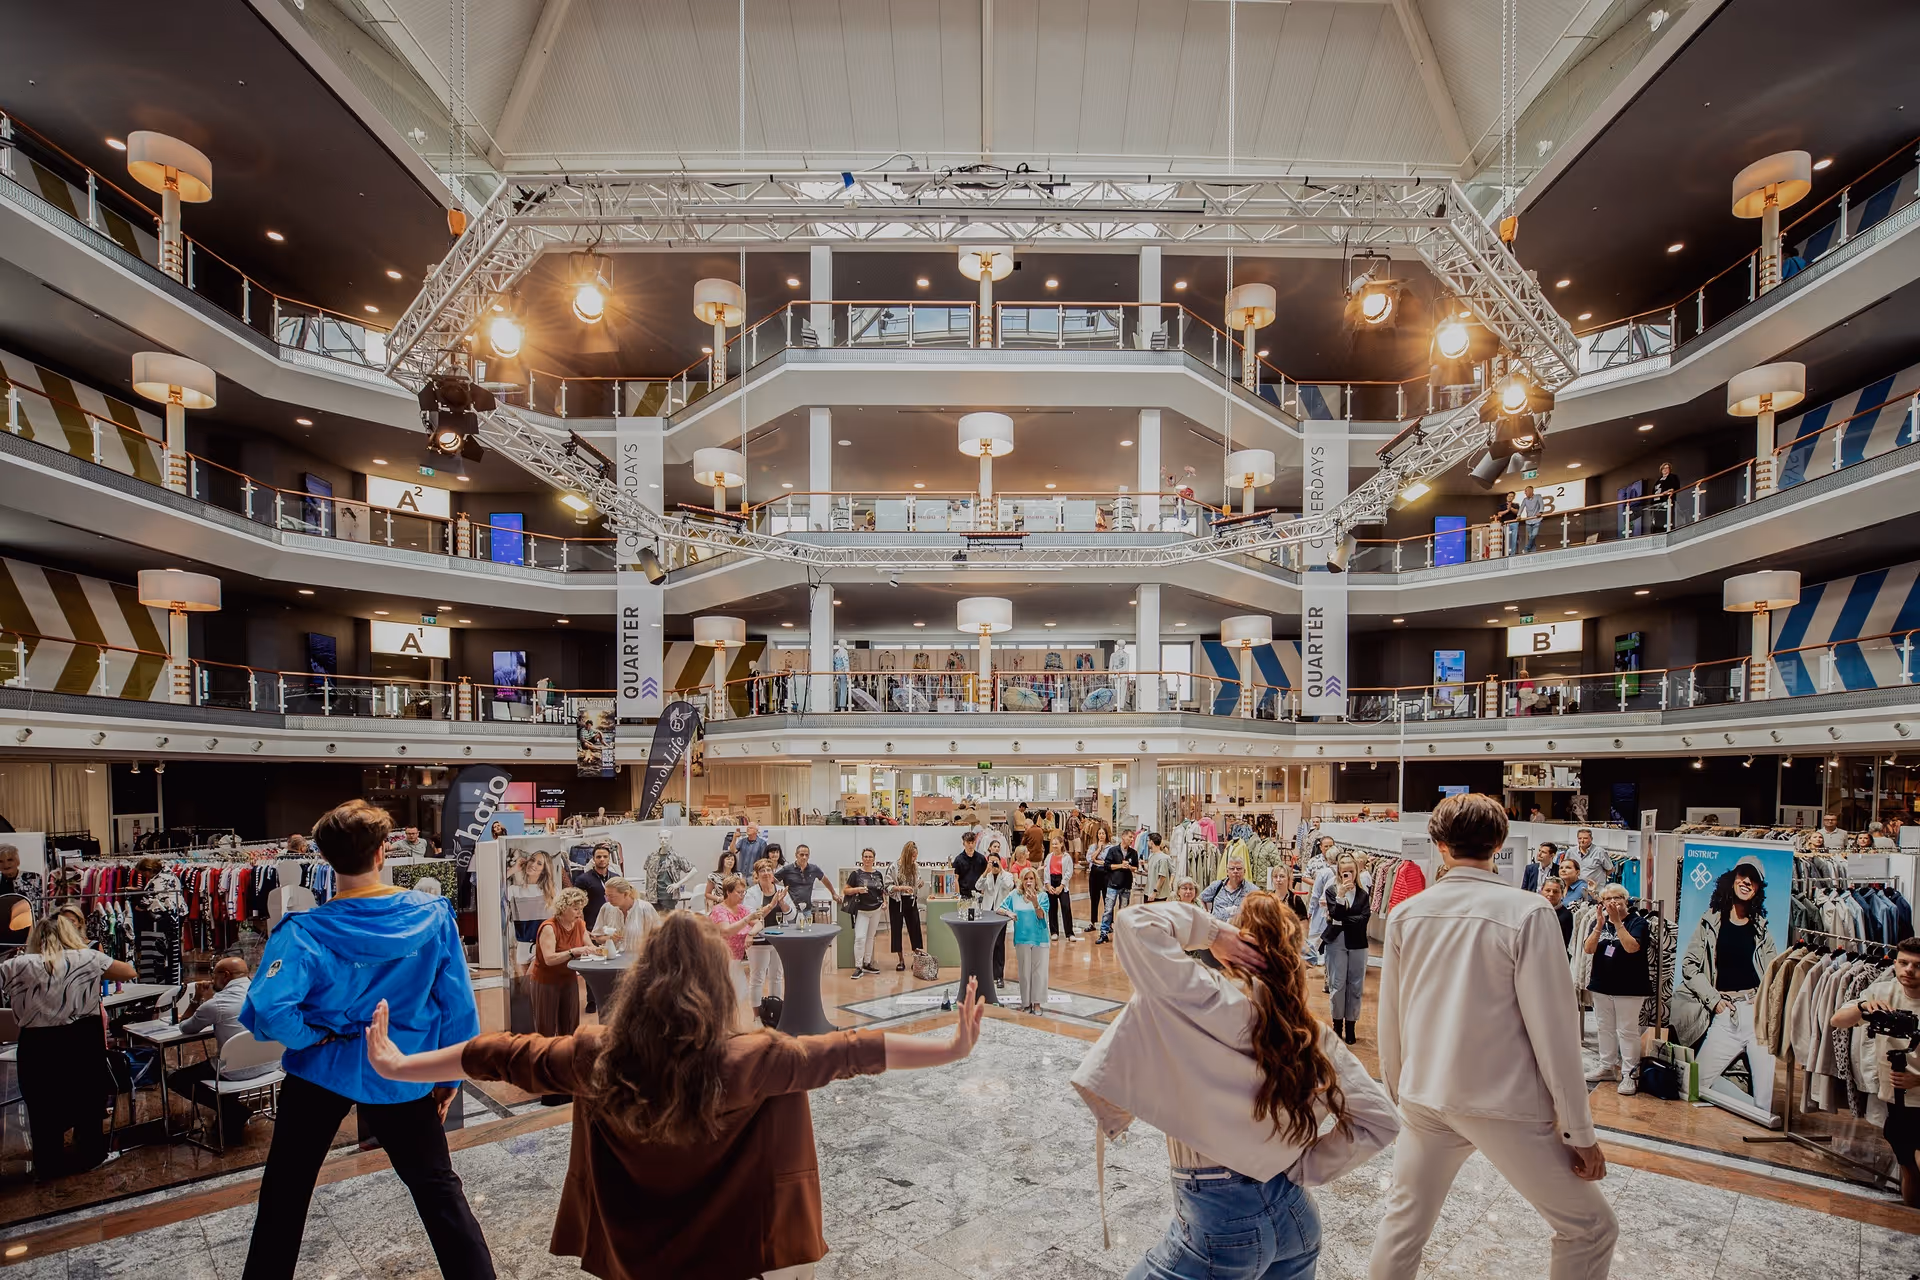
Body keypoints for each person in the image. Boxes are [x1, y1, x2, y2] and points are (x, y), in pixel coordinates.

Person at [364, 914, 987, 1280]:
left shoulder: (595, 1055)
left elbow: (502, 1053)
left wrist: (400, 1064)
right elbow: (851, 1051)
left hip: (630, 1257)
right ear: (722, 984)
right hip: (731, 1255)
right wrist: (949, 1049)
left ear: (641, 983)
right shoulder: (756, 1059)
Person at [1074, 892, 1399, 1280]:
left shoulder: (1202, 997)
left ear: (1240, 940)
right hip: (1294, 1216)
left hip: (1217, 1223)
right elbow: (1382, 1121)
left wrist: (1213, 933)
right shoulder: (1312, 1037)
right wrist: (1304, 1167)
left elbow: (1134, 923)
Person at [239, 799, 492, 1280]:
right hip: (402, 1070)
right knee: (440, 1194)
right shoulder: (433, 916)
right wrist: (448, 1077)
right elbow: (458, 1007)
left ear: (326, 859)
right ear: (381, 853)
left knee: (285, 1195)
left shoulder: (304, 931)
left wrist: (312, 1035)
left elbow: (270, 1010)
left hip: (320, 1072)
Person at [1370, 793, 1615, 1280]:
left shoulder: (1407, 913)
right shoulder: (1527, 912)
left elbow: (1390, 1015)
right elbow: (1556, 1032)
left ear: (1438, 844)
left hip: (1425, 1095)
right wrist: (1579, 1132)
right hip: (1501, 1101)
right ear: (1500, 842)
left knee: (1402, 1230)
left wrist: (1401, 1091)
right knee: (1590, 1229)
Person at [0, 909, 136, 1179]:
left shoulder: (15, 965)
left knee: (42, 1103)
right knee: (87, 1097)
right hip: (80, 1038)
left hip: (37, 1042)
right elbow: (129, 972)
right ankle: (90, 1155)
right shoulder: (88, 958)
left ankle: (48, 1163)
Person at [1671, 856, 1778, 1108]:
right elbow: (1689, 966)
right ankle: (1751, 1109)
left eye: (1753, 880)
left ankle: (1759, 1111)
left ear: (1759, 888)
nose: (1747, 882)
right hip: (1725, 1013)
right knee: (1694, 1085)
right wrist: (1715, 1000)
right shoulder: (1710, 921)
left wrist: (1765, 1001)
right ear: (1733, 879)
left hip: (1755, 1016)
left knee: (1766, 1099)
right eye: (1743, 875)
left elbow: (1774, 974)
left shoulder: (1761, 929)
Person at [1830, 935, 1920, 1207]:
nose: (1908, 970)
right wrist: (1862, 1007)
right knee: (1908, 1167)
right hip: (1896, 1100)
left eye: (1917, 965)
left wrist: (1918, 1079)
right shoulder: (1882, 991)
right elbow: (1837, 1020)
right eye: (1903, 963)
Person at [1583, 885, 1651, 1094]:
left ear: (1626, 899)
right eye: (1607, 898)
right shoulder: (1598, 922)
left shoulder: (1638, 923)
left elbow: (1632, 948)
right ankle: (1607, 1066)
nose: (1613, 901)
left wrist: (1618, 923)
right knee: (1604, 1027)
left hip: (1629, 987)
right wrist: (1599, 926)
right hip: (1601, 984)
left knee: (1627, 1031)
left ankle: (1629, 1074)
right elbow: (1588, 948)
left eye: (1617, 897)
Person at [532, 887, 593, 1044]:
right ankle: (544, 1061)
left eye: (581, 909)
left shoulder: (579, 924)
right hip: (546, 982)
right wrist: (573, 951)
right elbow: (549, 959)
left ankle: (566, 1060)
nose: (579, 912)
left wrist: (606, 946)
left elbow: (590, 947)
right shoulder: (549, 927)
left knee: (570, 1026)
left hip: (569, 979)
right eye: (575, 908)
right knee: (546, 1028)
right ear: (563, 907)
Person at [1321, 853, 1370, 1046]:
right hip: (1336, 942)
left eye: (1351, 871)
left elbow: (1364, 919)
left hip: (1357, 942)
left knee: (1356, 986)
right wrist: (1341, 897)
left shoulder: (1363, 894)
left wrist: (1343, 920)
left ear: (1356, 871)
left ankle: (1351, 1026)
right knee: (1337, 985)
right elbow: (1335, 914)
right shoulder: (1332, 891)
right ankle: (1337, 1026)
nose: (1347, 875)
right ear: (1339, 873)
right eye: (1344, 872)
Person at [742, 859, 795, 1013]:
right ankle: (757, 1016)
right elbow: (752, 917)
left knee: (777, 977)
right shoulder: (751, 893)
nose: (766, 873)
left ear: (773, 874)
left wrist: (783, 903)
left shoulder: (781, 890)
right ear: (757, 875)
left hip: (779, 941)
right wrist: (771, 904)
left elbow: (793, 916)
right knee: (757, 978)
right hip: (758, 941)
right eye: (762, 871)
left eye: (768, 870)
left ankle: (775, 1013)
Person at [998, 868, 1052, 1014]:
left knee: (1039, 972)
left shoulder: (1043, 896)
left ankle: (1037, 1003)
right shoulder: (1015, 895)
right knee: (1024, 972)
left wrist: (1035, 903)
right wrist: (1008, 912)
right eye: (1026, 879)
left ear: (1036, 880)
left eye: (1031, 879)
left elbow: (1041, 916)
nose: (1029, 882)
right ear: (1022, 881)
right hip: (1022, 938)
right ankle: (1026, 1003)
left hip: (1040, 939)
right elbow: (1000, 908)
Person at [506, 849, 559, 975]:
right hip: (522, 945)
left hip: (543, 945)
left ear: (544, 870)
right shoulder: (515, 891)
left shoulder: (552, 891)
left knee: (532, 983)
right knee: (526, 990)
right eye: (532, 860)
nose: (533, 864)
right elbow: (492, 886)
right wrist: (513, 869)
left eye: (539, 863)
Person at [975, 852, 1017, 988]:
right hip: (987, 914)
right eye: (990, 862)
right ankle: (987, 974)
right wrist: (986, 871)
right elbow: (977, 887)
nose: (993, 864)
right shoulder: (986, 876)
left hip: (1000, 914)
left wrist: (1001, 870)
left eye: (995, 861)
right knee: (987, 945)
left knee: (999, 945)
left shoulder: (1007, 875)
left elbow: (1009, 886)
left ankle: (999, 976)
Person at [844, 848, 888, 978]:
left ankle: (867, 963)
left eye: (870, 857)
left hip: (876, 909)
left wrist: (884, 902)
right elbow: (846, 890)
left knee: (870, 937)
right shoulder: (856, 874)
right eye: (865, 856)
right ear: (862, 858)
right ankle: (858, 966)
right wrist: (857, 889)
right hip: (862, 910)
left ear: (874, 859)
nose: (868, 859)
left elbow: (881, 891)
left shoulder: (878, 874)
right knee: (860, 938)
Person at [592, 876, 658, 958]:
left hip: (638, 961)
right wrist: (609, 938)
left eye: (612, 896)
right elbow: (597, 937)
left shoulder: (645, 908)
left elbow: (658, 938)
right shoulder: (606, 908)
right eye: (606, 896)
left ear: (626, 894)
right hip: (613, 960)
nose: (608, 899)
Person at [889, 841, 928, 971]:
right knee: (896, 929)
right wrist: (901, 888)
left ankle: (916, 958)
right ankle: (900, 959)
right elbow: (887, 886)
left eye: (916, 856)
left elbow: (917, 881)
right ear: (906, 855)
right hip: (897, 902)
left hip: (911, 901)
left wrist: (919, 884)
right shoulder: (894, 867)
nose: (914, 859)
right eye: (912, 856)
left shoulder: (915, 866)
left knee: (915, 928)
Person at [1093, 834, 1138, 944]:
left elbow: (1135, 868)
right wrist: (1120, 865)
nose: (1132, 839)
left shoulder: (1133, 853)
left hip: (1126, 885)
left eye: (1132, 837)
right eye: (1130, 837)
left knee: (1124, 911)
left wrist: (1129, 867)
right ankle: (1104, 933)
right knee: (1108, 909)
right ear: (1123, 837)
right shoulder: (1113, 850)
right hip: (1113, 884)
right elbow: (1107, 866)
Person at [774, 843, 839, 919]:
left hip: (807, 909)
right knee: (791, 930)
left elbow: (825, 880)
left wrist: (833, 893)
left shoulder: (814, 869)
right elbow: (772, 881)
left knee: (808, 929)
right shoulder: (787, 869)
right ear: (796, 855)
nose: (804, 857)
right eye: (801, 855)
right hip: (791, 909)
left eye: (806, 855)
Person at [571, 844, 617, 926]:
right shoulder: (583, 880)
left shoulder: (616, 878)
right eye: (599, 857)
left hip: (613, 923)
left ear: (609, 858)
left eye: (605, 856)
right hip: (592, 924)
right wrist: (582, 927)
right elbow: (577, 905)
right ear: (593, 859)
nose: (602, 859)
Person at [1201, 855, 1252, 925]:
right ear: (1227, 871)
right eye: (1232, 868)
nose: (1235, 871)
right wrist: (1206, 915)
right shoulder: (1217, 886)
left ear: (1244, 871)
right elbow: (1201, 898)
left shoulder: (1252, 890)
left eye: (1239, 868)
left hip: (1241, 931)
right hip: (1217, 930)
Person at [1043, 836, 1077, 940]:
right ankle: (1054, 931)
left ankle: (1069, 933)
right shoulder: (1049, 857)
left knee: (1065, 906)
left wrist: (1061, 885)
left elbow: (1068, 872)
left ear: (1061, 844)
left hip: (1062, 882)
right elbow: (1046, 871)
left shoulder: (1066, 857)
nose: (1054, 846)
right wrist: (1048, 885)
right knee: (1052, 908)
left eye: (1056, 843)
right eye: (1053, 844)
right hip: (1051, 881)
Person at [1086, 830, 1113, 934]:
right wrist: (1098, 849)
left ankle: (1109, 923)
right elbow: (1090, 858)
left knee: (1108, 899)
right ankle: (1092, 922)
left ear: (1106, 835)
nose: (1101, 835)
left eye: (1103, 833)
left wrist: (1097, 861)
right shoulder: (1093, 846)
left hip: (1106, 874)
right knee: (1094, 898)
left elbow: (1108, 862)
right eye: (1099, 834)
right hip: (1094, 874)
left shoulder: (1110, 848)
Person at [1540, 875, 1575, 947]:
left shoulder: (1566, 916)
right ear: (1541, 890)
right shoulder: (1534, 911)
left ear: (1562, 894)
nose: (1551, 894)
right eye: (1547, 890)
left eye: (1555, 891)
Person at [951, 831, 987, 904]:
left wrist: (983, 892)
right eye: (968, 843)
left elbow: (985, 876)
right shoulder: (958, 860)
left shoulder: (981, 858)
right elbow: (955, 879)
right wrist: (958, 895)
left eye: (972, 843)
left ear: (975, 843)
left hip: (978, 894)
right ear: (964, 843)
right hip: (964, 895)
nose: (970, 845)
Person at [1573, 829, 1611, 895]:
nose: (1582, 840)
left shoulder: (1600, 852)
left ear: (1591, 839)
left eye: (1585, 838)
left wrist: (1599, 878)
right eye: (1580, 838)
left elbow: (1610, 869)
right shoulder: (1571, 852)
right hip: (1576, 890)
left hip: (1595, 891)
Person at [1143, 831, 1173, 902]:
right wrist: (1143, 864)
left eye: (1148, 841)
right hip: (1148, 892)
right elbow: (1150, 870)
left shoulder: (1163, 858)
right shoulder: (1151, 855)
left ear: (1151, 842)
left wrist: (1154, 892)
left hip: (1158, 895)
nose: (1147, 843)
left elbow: (1162, 877)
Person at [1650, 462, 1680, 532]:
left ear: (1669, 469)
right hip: (1657, 502)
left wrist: (1668, 491)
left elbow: (1675, 487)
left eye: (1667, 468)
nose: (1665, 470)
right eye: (1663, 468)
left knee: (1666, 517)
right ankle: (1658, 531)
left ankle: (1666, 530)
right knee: (1657, 518)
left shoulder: (1673, 477)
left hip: (1667, 501)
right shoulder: (1658, 480)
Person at [1519, 483, 1545, 553]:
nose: (1525, 493)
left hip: (1536, 520)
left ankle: (1527, 548)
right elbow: (1521, 507)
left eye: (1526, 491)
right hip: (1528, 521)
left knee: (1534, 535)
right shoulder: (1525, 500)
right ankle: (1533, 551)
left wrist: (1540, 512)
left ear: (1531, 491)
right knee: (1531, 537)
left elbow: (1541, 505)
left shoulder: (1538, 496)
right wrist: (1518, 515)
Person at [1494, 491, 1520, 557]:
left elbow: (1517, 512)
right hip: (1506, 524)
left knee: (1514, 540)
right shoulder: (1502, 505)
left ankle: (1513, 554)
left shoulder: (1516, 505)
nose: (1510, 497)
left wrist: (1510, 508)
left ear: (1513, 497)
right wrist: (1507, 510)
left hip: (1514, 523)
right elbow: (1499, 513)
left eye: (1511, 496)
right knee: (1507, 539)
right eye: (1509, 496)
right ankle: (1507, 554)